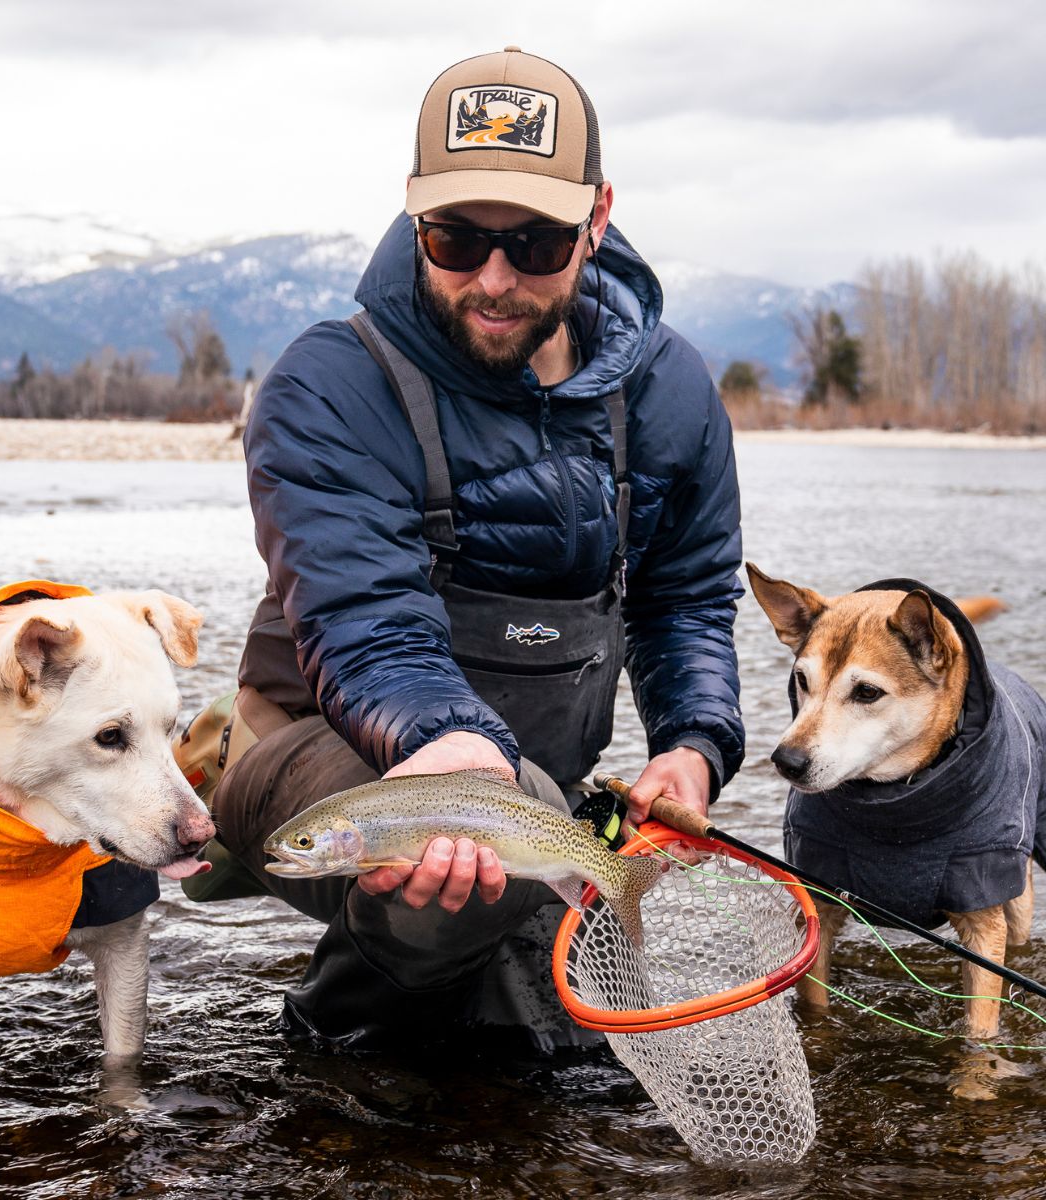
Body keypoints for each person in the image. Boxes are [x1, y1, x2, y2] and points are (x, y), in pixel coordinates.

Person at [184, 46, 745, 1050]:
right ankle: (346, 1050)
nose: (494, 279)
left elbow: (688, 601)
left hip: (525, 789)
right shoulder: (328, 384)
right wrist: (448, 742)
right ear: (413, 214)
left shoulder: (670, 393)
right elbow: (365, 621)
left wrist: (692, 751)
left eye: (534, 243)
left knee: (554, 1009)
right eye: (455, 238)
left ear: (598, 216)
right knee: (483, 846)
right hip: (321, 756)